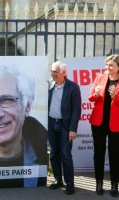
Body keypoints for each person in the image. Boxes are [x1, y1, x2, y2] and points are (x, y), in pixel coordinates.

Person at [48, 61, 81, 195]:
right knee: (54, 153)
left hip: (65, 126)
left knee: (66, 155)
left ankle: (70, 184)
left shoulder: (73, 87)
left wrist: (72, 129)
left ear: (63, 73)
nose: (52, 74)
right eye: (52, 71)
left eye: (55, 72)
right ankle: (58, 180)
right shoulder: (50, 85)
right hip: (51, 123)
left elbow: (76, 109)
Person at [88, 54, 119, 197]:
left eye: (111, 65)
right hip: (99, 122)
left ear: (118, 67)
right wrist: (95, 94)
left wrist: (115, 97)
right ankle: (99, 183)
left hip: (115, 124)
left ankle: (114, 185)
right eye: (107, 65)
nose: (107, 67)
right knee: (98, 153)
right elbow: (90, 97)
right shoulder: (99, 78)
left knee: (115, 154)